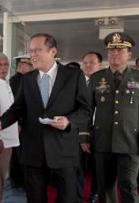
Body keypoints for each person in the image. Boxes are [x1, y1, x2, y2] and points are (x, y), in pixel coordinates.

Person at [0, 33, 91, 203]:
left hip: (63, 151)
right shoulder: (26, 79)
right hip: (33, 151)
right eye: (30, 50)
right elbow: (17, 109)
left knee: (67, 198)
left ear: (53, 51)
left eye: (38, 50)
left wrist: (69, 121)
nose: (32, 54)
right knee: (35, 198)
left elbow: (85, 110)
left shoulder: (73, 76)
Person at [88, 32, 139, 203]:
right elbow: (87, 110)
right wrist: (85, 137)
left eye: (120, 50)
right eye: (112, 51)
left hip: (131, 141)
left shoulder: (138, 77)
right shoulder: (96, 78)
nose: (115, 53)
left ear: (129, 54)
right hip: (103, 141)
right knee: (105, 188)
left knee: (129, 186)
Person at [0, 53, 19, 203]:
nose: (3, 68)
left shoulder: (5, 82)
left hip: (10, 137)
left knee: (1, 177)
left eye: (6, 64)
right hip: (1, 139)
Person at [77, 51, 103, 203]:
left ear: (100, 65)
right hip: (78, 130)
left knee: (98, 166)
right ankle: (78, 195)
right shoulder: (77, 83)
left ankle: (95, 193)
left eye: (92, 62)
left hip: (99, 131)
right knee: (77, 166)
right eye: (85, 62)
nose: (88, 65)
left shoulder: (106, 83)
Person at [9, 54, 33, 189]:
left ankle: (18, 181)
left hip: (22, 122)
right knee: (20, 153)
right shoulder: (18, 80)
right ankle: (19, 181)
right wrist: (18, 122)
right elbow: (17, 104)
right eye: (28, 65)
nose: (31, 68)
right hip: (20, 123)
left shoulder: (22, 79)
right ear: (21, 66)